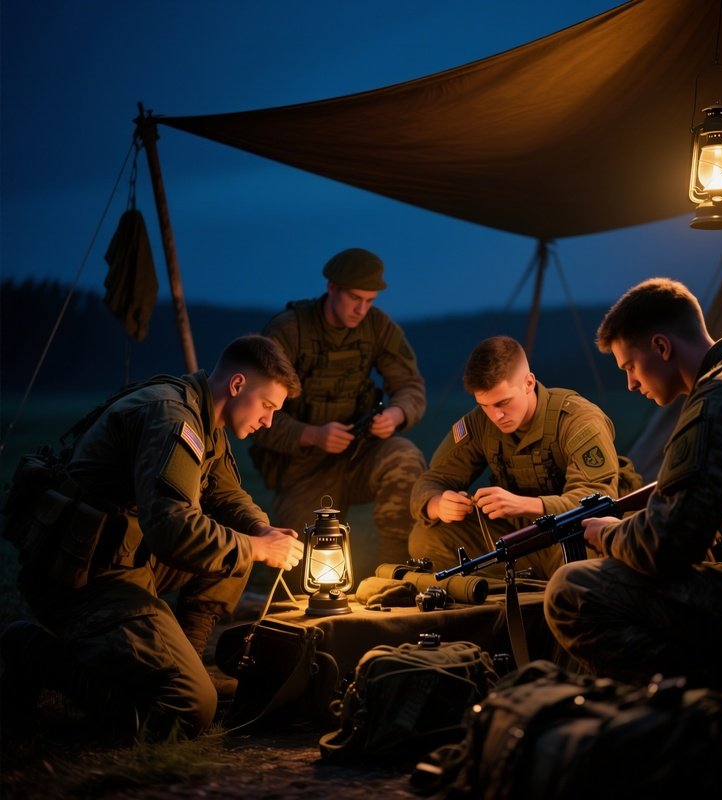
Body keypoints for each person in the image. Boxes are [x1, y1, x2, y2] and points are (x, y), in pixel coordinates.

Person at [0, 334, 306, 742]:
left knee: (239, 544)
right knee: (190, 708)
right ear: (237, 386)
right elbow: (173, 530)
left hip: (125, 558)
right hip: (82, 576)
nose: (268, 421)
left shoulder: (203, 415)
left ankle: (184, 660)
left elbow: (225, 492)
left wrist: (260, 529)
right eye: (267, 406)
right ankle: (33, 652)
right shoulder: (172, 417)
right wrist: (256, 547)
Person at [543, 278, 722, 717]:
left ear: (661, 347)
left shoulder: (719, 397)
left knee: (572, 590)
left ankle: (714, 716)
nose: (630, 384)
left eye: (629, 366)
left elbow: (664, 546)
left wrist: (611, 534)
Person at [249, 247, 426, 575]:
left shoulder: (377, 327)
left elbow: (411, 387)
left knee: (404, 458)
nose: (362, 310)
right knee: (301, 568)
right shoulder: (290, 331)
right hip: (304, 468)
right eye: (355, 298)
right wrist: (312, 435)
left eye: (370, 301)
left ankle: (396, 576)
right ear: (332, 288)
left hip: (359, 455)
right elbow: (255, 415)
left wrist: (396, 415)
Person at [409, 335, 637, 579]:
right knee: (426, 538)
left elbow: (598, 502)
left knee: (589, 561)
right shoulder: (479, 424)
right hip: (518, 538)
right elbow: (431, 480)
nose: (496, 415)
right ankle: (505, 596)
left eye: (503, 402)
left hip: (576, 536)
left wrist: (524, 505)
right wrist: (438, 504)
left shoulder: (578, 420)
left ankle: (544, 590)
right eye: (485, 405)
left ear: (528, 383)